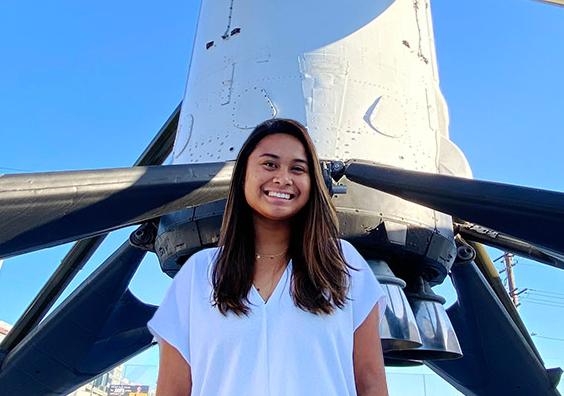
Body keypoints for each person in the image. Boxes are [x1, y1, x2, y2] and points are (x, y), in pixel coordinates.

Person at [148, 118, 389, 396]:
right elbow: (172, 390)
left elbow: (370, 383)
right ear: (243, 176)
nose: (283, 179)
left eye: (298, 169)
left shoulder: (344, 265)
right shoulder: (198, 275)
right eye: (270, 164)